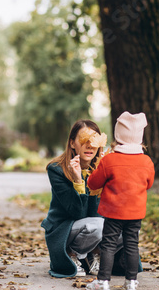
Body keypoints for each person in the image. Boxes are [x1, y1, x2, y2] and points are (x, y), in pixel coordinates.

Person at [41, 119, 125, 278]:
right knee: (99, 226)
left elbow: (96, 212)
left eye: (94, 140)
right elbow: (77, 212)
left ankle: (94, 253)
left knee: (125, 228)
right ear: (72, 143)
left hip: (92, 223)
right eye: (84, 140)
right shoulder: (56, 170)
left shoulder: (103, 168)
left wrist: (98, 177)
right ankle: (71, 254)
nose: (90, 145)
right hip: (65, 228)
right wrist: (78, 181)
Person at [86, 111, 155, 290]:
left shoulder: (109, 160)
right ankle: (131, 282)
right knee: (132, 244)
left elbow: (93, 183)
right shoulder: (146, 161)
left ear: (118, 136)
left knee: (108, 243)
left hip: (113, 212)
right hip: (135, 212)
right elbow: (149, 183)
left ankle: (103, 282)